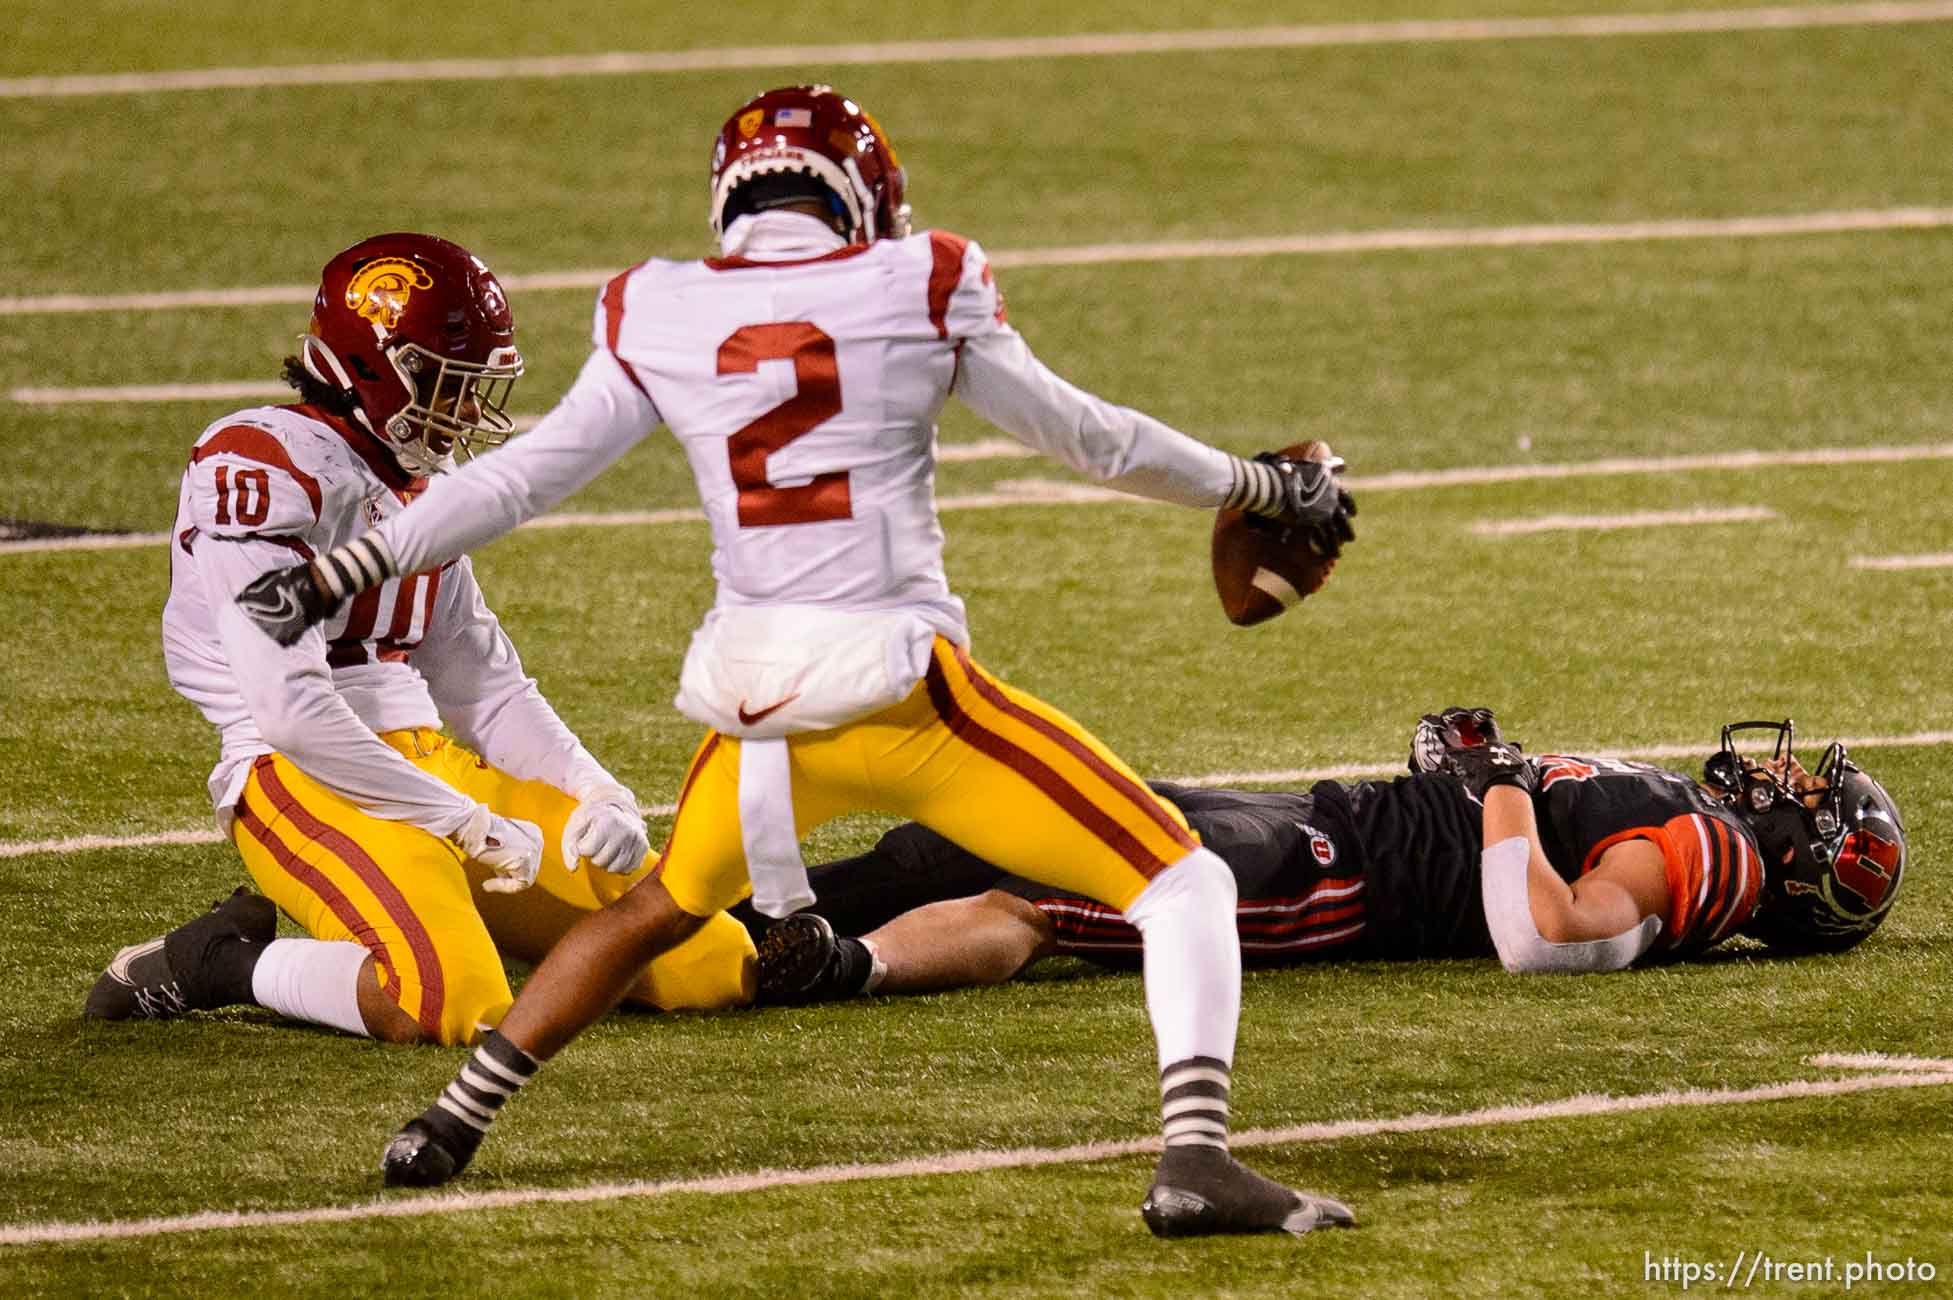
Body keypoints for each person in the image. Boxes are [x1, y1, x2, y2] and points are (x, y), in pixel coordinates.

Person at [233, 86, 1360, 1237]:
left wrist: (339, 571)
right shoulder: (922, 277)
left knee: (658, 908)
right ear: (862, 194)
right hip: (903, 693)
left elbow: (520, 482)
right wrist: (1264, 486)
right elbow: (1090, 438)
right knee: (1183, 882)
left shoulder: (656, 305)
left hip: (760, 710)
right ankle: (1198, 1158)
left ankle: (452, 1118)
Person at [85, 232, 754, 1046]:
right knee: (443, 1002)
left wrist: (595, 788)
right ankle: (221, 962)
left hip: (421, 758)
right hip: (294, 770)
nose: (468, 411)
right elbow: (291, 709)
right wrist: (461, 821)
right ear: (371, 366)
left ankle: (437, 908)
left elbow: (481, 681)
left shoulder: (416, 485)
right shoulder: (259, 461)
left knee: (710, 960)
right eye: (445, 383)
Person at [746, 712, 1907, 1000]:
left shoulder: (1717, 857)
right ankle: (757, 920)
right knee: (978, 826)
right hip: (1328, 821)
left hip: (1336, 877)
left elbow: (1540, 936)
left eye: (1809, 793)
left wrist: (1493, 780)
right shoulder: (1699, 826)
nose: (1786, 776)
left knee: (1034, 887)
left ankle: (818, 960)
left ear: (1802, 853)